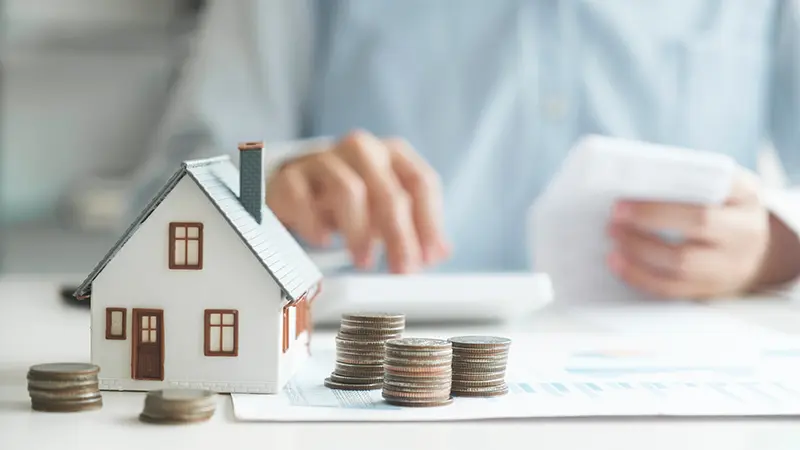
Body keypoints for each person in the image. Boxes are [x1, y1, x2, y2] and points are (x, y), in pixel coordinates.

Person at [147, 0, 800, 300]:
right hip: (362, 384)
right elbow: (159, 210)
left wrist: (774, 246)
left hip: (686, 386)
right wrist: (273, 185)